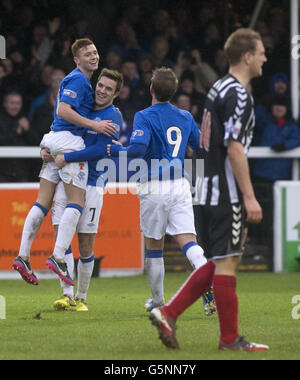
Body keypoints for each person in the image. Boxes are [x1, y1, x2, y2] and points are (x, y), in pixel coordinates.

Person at [148, 28, 270, 352]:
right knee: (227, 262)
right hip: (226, 190)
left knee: (218, 262)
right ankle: (229, 338)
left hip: (207, 186)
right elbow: (234, 147)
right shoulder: (239, 94)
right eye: (260, 53)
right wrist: (248, 196)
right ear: (247, 56)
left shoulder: (217, 87)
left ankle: (169, 312)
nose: (264, 58)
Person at [107, 67, 215, 316]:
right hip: (179, 183)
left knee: (154, 247)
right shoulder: (185, 116)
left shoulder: (144, 115)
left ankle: (158, 302)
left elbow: (136, 149)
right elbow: (200, 145)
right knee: (189, 242)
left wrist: (116, 151)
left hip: (154, 184)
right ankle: (208, 284)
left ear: (151, 89)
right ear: (174, 91)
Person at [12, 38, 116, 286]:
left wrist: (49, 145)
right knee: (76, 201)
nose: (93, 56)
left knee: (43, 202)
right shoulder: (77, 79)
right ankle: (58, 256)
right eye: (87, 54)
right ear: (76, 60)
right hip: (69, 142)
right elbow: (63, 110)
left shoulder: (84, 83)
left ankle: (23, 255)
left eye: (95, 52)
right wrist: (95, 125)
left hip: (54, 139)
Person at [45, 68, 123, 311]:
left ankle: (82, 298)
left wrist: (67, 156)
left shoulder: (114, 116)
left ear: (116, 94)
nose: (102, 90)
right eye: (100, 85)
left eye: (108, 88)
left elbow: (100, 150)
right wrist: (47, 147)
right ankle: (67, 295)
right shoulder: (83, 107)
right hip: (68, 178)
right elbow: (60, 128)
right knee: (61, 235)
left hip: (92, 183)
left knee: (86, 243)